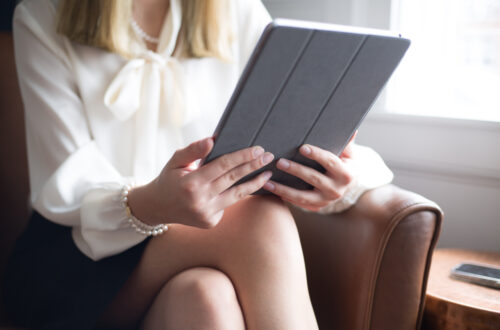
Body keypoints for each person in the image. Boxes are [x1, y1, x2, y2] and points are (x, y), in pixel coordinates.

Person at [2, 0, 394, 329]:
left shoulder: (234, 10)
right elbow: (65, 184)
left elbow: (289, 120)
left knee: (207, 300)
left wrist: (334, 173)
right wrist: (153, 201)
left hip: (198, 246)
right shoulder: (42, 15)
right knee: (257, 219)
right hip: (74, 255)